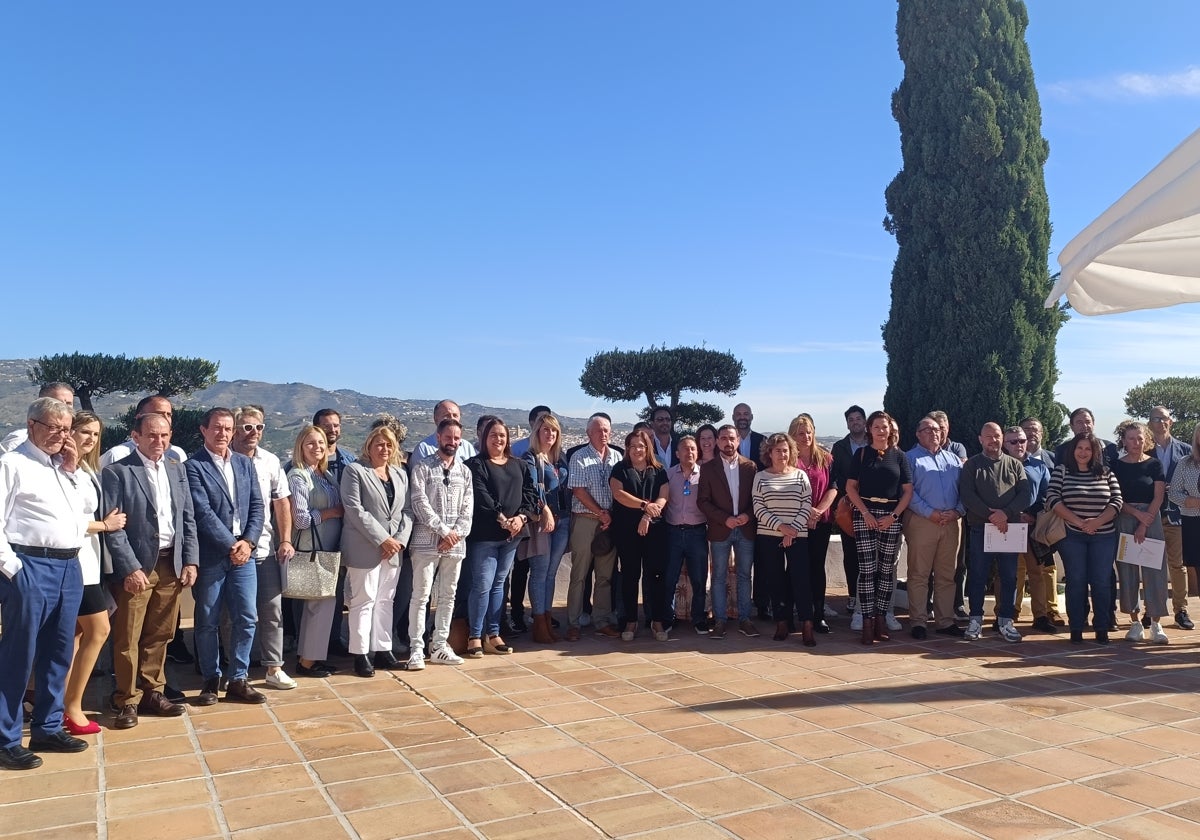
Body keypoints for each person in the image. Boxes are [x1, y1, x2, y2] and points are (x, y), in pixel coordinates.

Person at [0, 398, 89, 770]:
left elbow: (81, 513)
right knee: (19, 654)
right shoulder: (12, 463)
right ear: (31, 424)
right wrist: (12, 569)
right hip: (30, 564)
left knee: (58, 652)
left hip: (70, 565)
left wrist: (71, 468)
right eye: (52, 427)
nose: (59, 435)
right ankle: (5, 739)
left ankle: (48, 727)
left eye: (65, 428)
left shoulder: (62, 467)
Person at [102, 412, 198, 728]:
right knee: (128, 635)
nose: (159, 441)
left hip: (172, 562)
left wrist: (191, 559)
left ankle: (152, 691)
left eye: (165, 435)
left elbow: (187, 518)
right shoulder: (118, 472)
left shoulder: (176, 468)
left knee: (161, 632)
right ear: (136, 436)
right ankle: (126, 699)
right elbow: (113, 529)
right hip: (138, 566)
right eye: (152, 436)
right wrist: (129, 567)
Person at [187, 408, 266, 705]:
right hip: (212, 555)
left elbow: (258, 506)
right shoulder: (193, 466)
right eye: (217, 428)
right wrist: (230, 546)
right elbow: (201, 512)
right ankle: (211, 678)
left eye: (228, 428)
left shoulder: (245, 464)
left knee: (247, 617)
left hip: (244, 554)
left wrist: (248, 542)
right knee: (207, 619)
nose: (223, 433)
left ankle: (238, 678)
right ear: (204, 430)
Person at [60, 412, 123, 735]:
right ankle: (71, 706)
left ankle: (61, 704)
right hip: (75, 564)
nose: (90, 439)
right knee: (98, 629)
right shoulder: (60, 469)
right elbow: (63, 517)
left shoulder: (87, 469)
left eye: (96, 434)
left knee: (77, 635)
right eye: (84, 431)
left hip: (90, 562)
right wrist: (105, 525)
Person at [231, 406, 297, 690]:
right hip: (231, 550)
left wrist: (285, 539)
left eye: (258, 428)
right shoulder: (224, 460)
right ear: (234, 429)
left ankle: (273, 667)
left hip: (265, 549)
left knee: (272, 610)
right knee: (232, 613)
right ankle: (233, 668)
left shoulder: (270, 461)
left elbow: (281, 502)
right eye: (247, 427)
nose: (254, 433)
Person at [340, 426, 412, 677]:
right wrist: (383, 539)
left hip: (394, 550)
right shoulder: (355, 471)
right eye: (379, 444)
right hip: (365, 547)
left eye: (389, 445)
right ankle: (360, 654)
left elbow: (408, 511)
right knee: (363, 601)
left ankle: (382, 649)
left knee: (385, 601)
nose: (384, 449)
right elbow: (355, 510)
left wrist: (399, 540)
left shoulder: (400, 474)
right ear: (368, 446)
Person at [464, 418, 538, 657]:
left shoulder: (520, 465)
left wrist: (522, 518)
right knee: (482, 585)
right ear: (484, 438)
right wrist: (502, 518)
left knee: (498, 585)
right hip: (484, 534)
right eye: (493, 435)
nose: (498, 439)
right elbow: (481, 495)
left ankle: (493, 634)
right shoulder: (475, 465)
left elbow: (530, 494)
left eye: (502, 435)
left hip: (513, 535)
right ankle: (475, 636)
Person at [406, 418, 473, 670]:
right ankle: (416, 648)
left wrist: (455, 534)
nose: (452, 442)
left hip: (455, 545)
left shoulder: (464, 472)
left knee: (448, 595)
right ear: (438, 437)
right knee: (421, 596)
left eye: (457, 438)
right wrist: (443, 531)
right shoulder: (423, 468)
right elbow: (419, 503)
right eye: (448, 437)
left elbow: (468, 508)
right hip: (426, 542)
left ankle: (440, 645)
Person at [1048, 432, 1123, 644]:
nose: (1083, 452)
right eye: (1079, 448)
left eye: (1088, 449)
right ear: (1073, 450)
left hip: (1104, 536)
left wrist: (1097, 522)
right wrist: (1080, 522)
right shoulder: (1062, 471)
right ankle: (1076, 628)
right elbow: (1053, 498)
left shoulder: (1106, 472)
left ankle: (1101, 627)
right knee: (1076, 581)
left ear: (1095, 452)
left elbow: (1117, 501)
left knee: (1101, 581)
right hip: (1072, 536)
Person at [844, 411, 913, 645]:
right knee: (867, 570)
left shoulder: (900, 456)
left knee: (885, 571)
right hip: (865, 515)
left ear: (890, 430)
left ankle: (881, 618)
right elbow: (850, 488)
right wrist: (865, 513)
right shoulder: (862, 455)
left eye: (885, 427)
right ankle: (867, 620)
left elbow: (908, 492)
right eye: (876, 427)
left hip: (890, 517)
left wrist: (893, 516)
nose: (881, 431)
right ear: (869, 430)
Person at [959, 423, 1030, 643]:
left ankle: (1005, 620)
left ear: (1002, 438)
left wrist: (1005, 514)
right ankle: (976, 619)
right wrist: (992, 516)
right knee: (979, 575)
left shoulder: (1015, 465)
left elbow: (1025, 494)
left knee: (1009, 576)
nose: (993, 440)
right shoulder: (972, 465)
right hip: (982, 528)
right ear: (980, 439)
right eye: (988, 436)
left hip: (1010, 528)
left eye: (997, 436)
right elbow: (967, 495)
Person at [286, 425, 344, 678]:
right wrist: (331, 513)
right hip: (312, 550)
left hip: (328, 551)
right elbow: (300, 519)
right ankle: (306, 661)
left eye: (320, 443)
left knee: (321, 607)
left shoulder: (325, 476)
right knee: (317, 607)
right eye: (310, 443)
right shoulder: (298, 476)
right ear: (300, 446)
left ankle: (311, 657)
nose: (317, 447)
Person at [903, 417, 965, 640]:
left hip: (951, 523)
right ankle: (918, 621)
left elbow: (964, 490)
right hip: (922, 522)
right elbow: (908, 493)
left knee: (947, 575)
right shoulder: (909, 459)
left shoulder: (954, 460)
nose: (933, 433)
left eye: (937, 429)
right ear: (918, 434)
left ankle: (945, 621)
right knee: (919, 573)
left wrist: (958, 511)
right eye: (927, 429)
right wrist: (930, 512)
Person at [752, 432, 814, 645]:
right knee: (775, 580)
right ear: (769, 453)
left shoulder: (800, 475)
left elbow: (806, 503)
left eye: (786, 450)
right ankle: (782, 622)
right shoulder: (760, 477)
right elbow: (758, 508)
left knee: (801, 579)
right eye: (778, 450)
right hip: (769, 535)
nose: (782, 454)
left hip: (798, 535)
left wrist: (792, 530)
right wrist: (782, 528)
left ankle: (807, 623)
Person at [698, 424, 759, 639]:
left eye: (731, 438)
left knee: (744, 575)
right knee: (718, 577)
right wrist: (725, 519)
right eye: (723, 438)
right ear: (717, 442)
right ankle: (720, 620)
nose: (728, 442)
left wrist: (747, 516)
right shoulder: (707, 468)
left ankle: (745, 619)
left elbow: (757, 500)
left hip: (745, 529)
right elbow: (702, 502)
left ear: (738, 440)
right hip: (720, 529)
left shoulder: (751, 467)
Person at [609, 429, 670, 641]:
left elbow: (663, 498)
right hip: (627, 532)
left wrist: (648, 516)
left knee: (656, 576)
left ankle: (657, 620)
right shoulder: (620, 469)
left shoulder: (659, 469)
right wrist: (645, 505)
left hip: (655, 531)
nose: (637, 450)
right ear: (627, 448)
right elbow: (618, 494)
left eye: (641, 446)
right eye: (633, 446)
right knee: (630, 576)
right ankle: (631, 621)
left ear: (648, 448)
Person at [566, 414, 623, 640]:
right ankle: (573, 622)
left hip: (609, 524)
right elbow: (578, 491)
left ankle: (601, 620)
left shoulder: (617, 457)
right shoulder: (579, 457)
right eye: (598, 430)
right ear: (589, 433)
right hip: (586, 521)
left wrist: (609, 517)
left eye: (607, 430)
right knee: (579, 574)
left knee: (605, 575)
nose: (603, 434)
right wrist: (601, 513)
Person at [1111, 422, 1168, 644]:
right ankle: (1134, 623)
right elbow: (1115, 497)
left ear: (1147, 439)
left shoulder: (1155, 464)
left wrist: (1145, 521)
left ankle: (1155, 623)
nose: (1136, 442)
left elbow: (1159, 496)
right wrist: (1136, 514)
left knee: (1155, 571)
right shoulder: (1116, 466)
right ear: (1124, 441)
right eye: (1132, 438)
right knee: (1127, 571)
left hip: (1151, 520)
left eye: (1140, 438)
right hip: (1125, 519)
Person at [999, 426, 1055, 634]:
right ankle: (1004, 613)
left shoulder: (1039, 466)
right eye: (1013, 441)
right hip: (1006, 526)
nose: (1018, 445)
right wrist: (1011, 514)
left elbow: (1047, 496)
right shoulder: (998, 465)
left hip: (1032, 526)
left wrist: (1032, 514)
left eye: (1021, 441)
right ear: (1005, 444)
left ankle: (1040, 616)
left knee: (1037, 572)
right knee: (1006, 573)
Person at [521, 413, 568, 644]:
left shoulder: (560, 459)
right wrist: (545, 509)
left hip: (563, 522)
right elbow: (531, 487)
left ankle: (548, 621)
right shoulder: (530, 458)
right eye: (545, 430)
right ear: (537, 432)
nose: (550, 434)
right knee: (539, 573)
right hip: (542, 522)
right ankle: (539, 622)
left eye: (554, 430)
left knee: (551, 573)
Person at [789, 415, 837, 634]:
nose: (806, 436)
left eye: (809, 432)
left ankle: (818, 615)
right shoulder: (788, 459)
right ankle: (794, 613)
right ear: (793, 435)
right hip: (795, 523)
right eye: (800, 433)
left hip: (821, 522)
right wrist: (805, 512)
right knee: (795, 569)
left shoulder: (826, 458)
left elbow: (834, 487)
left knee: (817, 568)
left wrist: (818, 511)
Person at [1148, 406, 1194, 630]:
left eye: (1164, 418)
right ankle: (1151, 609)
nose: (1160, 423)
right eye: (1155, 419)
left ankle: (1181, 610)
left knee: (1178, 565)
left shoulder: (1186, 451)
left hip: (1177, 515)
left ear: (1171, 421)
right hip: (1150, 515)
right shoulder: (1143, 450)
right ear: (1150, 424)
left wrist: (1175, 490)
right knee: (1150, 563)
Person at [663, 435, 709, 634]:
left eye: (692, 449)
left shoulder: (705, 475)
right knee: (669, 578)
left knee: (699, 580)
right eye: (685, 449)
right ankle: (667, 617)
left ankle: (698, 618)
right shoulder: (668, 474)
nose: (689, 452)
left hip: (697, 533)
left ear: (697, 453)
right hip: (672, 533)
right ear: (677, 453)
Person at [1021, 416, 1064, 627]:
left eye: (1035, 429)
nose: (1031, 433)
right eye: (1026, 429)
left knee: (1047, 566)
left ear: (1042, 433)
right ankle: (1012, 610)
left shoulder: (1052, 460)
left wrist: (1036, 513)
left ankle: (1051, 610)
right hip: (1015, 523)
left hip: (1043, 522)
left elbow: (1054, 492)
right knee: (1017, 568)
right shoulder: (1010, 458)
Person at [830, 405, 869, 621]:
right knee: (851, 554)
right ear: (847, 424)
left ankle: (869, 597)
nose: (855, 422)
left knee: (871, 556)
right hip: (849, 510)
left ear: (864, 421)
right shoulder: (839, 447)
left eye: (858, 418)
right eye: (851, 420)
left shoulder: (876, 444)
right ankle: (853, 596)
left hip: (873, 507)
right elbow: (835, 477)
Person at [99, 395, 188, 468]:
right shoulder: (117, 455)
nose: (165, 418)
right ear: (139, 417)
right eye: (158, 414)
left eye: (168, 415)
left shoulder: (177, 454)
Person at [0, 382, 75, 454]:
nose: (64, 407)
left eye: (69, 404)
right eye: (57, 402)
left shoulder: (71, 441)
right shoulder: (17, 441)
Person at [412, 400, 478, 462]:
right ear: (436, 419)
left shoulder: (467, 447)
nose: (452, 419)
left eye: (455, 415)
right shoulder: (423, 448)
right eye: (446, 416)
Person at [1054, 408, 1119, 466]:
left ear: (1093, 424)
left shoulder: (1110, 448)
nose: (1084, 426)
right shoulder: (1062, 451)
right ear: (1072, 426)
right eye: (1079, 422)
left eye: (1088, 422)